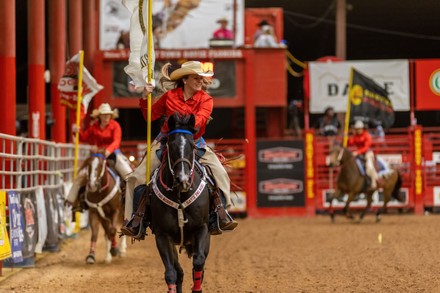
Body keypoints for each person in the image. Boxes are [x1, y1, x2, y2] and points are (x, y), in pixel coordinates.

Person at [121, 60, 238, 238]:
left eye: (201, 78)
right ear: (185, 80)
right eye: (196, 78)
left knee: (220, 173)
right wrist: (146, 97)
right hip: (166, 141)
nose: (200, 81)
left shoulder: (206, 99)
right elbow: (150, 116)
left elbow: (200, 120)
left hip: (195, 142)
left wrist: (184, 124)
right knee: (136, 177)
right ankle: (135, 219)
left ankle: (221, 214)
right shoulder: (169, 97)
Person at [65, 103, 133, 208]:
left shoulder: (115, 125)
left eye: (108, 115)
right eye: (104, 115)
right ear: (99, 116)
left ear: (111, 116)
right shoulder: (94, 127)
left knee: (128, 174)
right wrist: (77, 133)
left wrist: (108, 150)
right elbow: (84, 138)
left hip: (113, 154)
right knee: (81, 176)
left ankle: (133, 200)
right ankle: (73, 202)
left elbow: (116, 141)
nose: (106, 117)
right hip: (97, 155)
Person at [347, 120, 379, 189]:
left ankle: (374, 182)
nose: (357, 130)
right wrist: (348, 137)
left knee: (369, 166)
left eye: (358, 129)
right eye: (356, 129)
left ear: (362, 129)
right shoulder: (355, 136)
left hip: (367, 153)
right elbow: (350, 143)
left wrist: (358, 152)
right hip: (359, 153)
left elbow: (367, 147)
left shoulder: (366, 135)